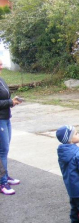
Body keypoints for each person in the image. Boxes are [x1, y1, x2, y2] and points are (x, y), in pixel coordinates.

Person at [56, 125, 79, 223]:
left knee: (75, 209)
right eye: (76, 133)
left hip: (71, 188)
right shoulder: (78, 154)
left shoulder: (62, 152)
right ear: (70, 139)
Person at [0, 60, 22, 195]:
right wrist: (9, 102)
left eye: (1, 64)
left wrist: (12, 102)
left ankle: (5, 175)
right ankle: (2, 182)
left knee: (5, 149)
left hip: (6, 118)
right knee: (2, 151)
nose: (1, 67)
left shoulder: (1, 80)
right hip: (0, 120)